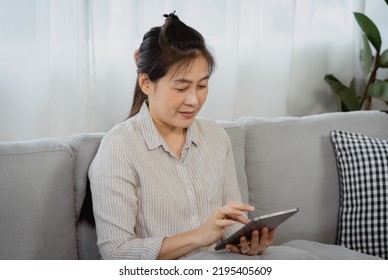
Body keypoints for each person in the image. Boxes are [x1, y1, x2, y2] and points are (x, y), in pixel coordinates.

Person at [88, 12, 275, 260]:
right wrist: (200, 235)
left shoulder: (216, 136)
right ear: (146, 83)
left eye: (202, 86)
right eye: (181, 87)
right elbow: (116, 252)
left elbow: (230, 223)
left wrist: (246, 241)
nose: (194, 100)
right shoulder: (120, 147)